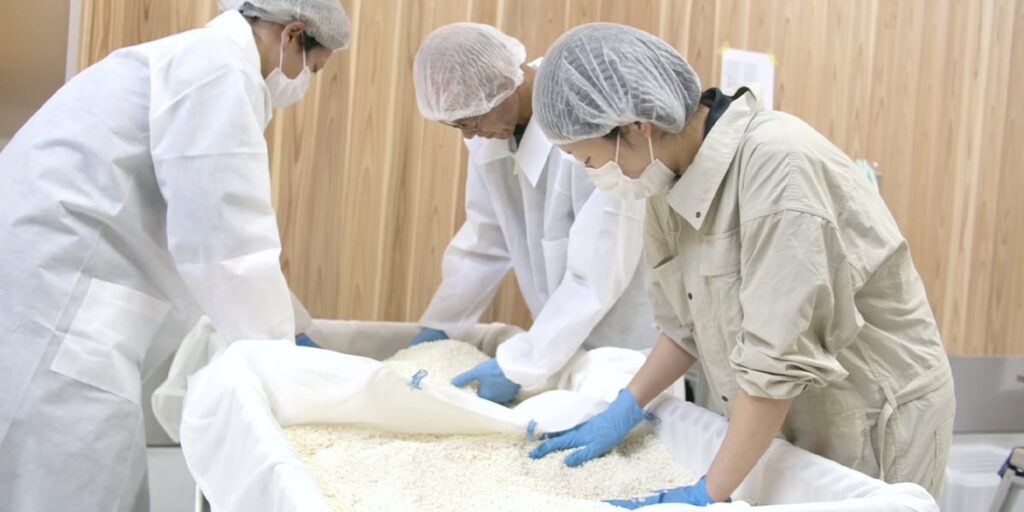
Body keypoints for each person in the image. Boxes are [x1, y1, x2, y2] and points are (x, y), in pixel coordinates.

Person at [528, 23, 955, 507]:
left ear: (636, 127)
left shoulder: (779, 169)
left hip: (872, 415)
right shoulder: (665, 180)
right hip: (782, 412)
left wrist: (707, 494)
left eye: (588, 160)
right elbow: (684, 326)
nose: (594, 175)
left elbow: (777, 360)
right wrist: (625, 407)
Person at [0, 1, 349, 510]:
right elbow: (226, 239)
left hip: (54, 283)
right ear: (293, 34)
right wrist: (283, 360)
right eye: (311, 68)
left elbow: (215, 227)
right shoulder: (217, 71)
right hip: (56, 298)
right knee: (78, 476)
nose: (303, 83)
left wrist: (292, 326)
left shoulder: (196, 61)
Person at [409, 23, 658, 404]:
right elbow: (485, 241)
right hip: (558, 344)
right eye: (456, 125)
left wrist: (522, 362)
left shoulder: (588, 122)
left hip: (625, 346)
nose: (469, 136)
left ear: (502, 84)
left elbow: (597, 271)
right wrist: (439, 326)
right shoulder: (490, 137)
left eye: (471, 121)